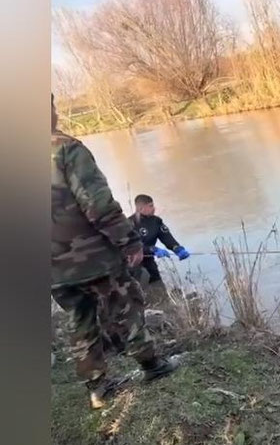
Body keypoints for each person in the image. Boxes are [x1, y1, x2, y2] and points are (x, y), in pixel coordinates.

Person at [51, 94, 178, 409]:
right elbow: (98, 204)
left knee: (79, 320)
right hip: (92, 257)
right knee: (125, 307)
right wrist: (129, 241)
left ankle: (97, 389)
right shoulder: (65, 149)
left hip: (51, 267)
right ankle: (152, 366)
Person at [128, 194, 190, 285]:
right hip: (133, 264)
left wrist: (177, 248)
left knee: (158, 285)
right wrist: (152, 249)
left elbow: (166, 237)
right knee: (140, 289)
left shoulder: (156, 221)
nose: (154, 208)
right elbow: (130, 246)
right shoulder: (128, 224)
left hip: (149, 262)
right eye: (151, 206)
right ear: (141, 208)